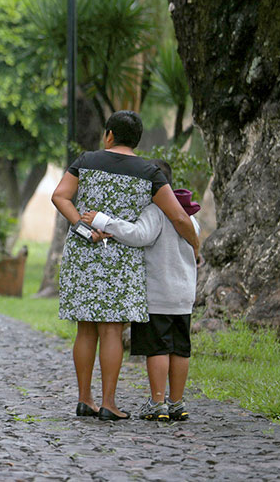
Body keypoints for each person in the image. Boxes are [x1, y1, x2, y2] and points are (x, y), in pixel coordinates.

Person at [51, 110, 199, 421]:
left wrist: (82, 225)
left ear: (108, 135)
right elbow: (178, 217)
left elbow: (60, 196)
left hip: (84, 252)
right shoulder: (149, 172)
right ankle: (108, 403)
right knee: (112, 331)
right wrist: (196, 246)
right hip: (120, 258)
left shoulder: (86, 160)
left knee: (85, 329)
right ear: (137, 140)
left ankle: (84, 399)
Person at [81, 160, 201, 422]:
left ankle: (157, 403)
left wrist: (104, 221)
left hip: (158, 295)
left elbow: (138, 235)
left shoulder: (155, 211)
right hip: (183, 296)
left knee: (158, 348)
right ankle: (177, 403)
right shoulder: (189, 215)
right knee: (180, 349)